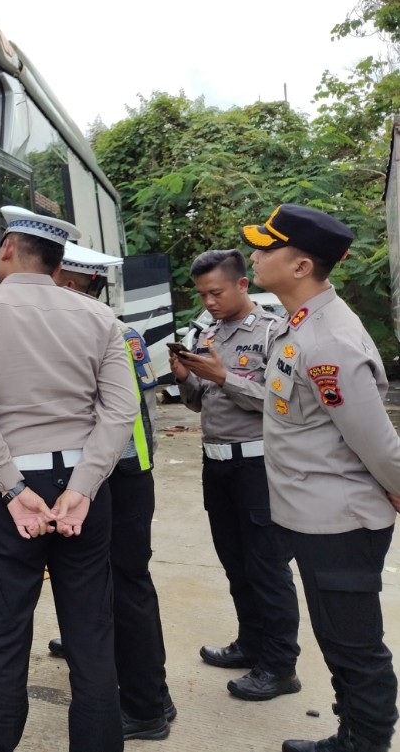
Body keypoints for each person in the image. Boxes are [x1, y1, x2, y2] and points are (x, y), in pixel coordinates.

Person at [0, 207, 138, 752]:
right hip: (83, 491)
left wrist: (12, 488)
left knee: (4, 636)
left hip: (12, 491)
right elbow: (120, 412)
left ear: (8, 248)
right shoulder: (99, 317)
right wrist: (83, 487)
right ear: (59, 264)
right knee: (91, 637)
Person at [242, 203, 400, 752]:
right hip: (315, 517)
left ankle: (367, 743)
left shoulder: (328, 340)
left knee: (355, 647)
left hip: (341, 523)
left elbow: (376, 441)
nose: (254, 255)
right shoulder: (302, 322)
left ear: (302, 265)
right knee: (338, 640)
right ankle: (350, 734)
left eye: (266, 247)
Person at [48, 241, 175, 741]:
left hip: (116, 476)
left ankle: (146, 707)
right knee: (120, 584)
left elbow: (115, 416)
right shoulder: (108, 328)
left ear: (69, 284)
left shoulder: (104, 331)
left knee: (125, 588)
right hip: (118, 473)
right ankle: (151, 692)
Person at [170, 249, 301, 702]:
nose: (209, 302)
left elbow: (280, 403)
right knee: (235, 562)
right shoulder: (207, 332)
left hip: (258, 466)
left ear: (243, 284)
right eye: (202, 294)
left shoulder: (272, 331)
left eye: (216, 292)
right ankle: (251, 644)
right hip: (217, 464)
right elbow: (198, 403)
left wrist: (225, 376)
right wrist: (186, 377)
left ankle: (281, 666)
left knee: (267, 566)